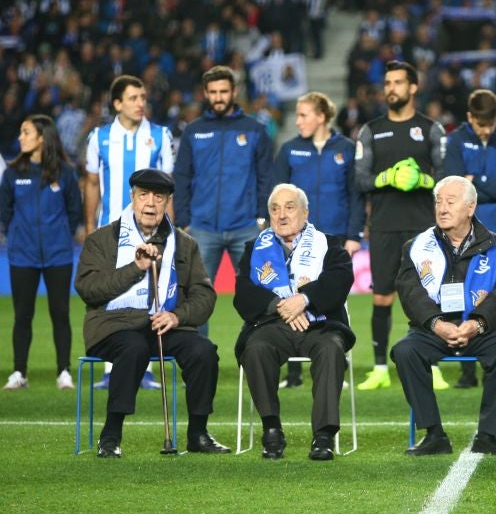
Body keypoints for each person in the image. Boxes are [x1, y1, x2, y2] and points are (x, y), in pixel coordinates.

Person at [74, 169, 229, 457]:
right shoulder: (102, 239)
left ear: (168, 202)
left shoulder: (184, 243)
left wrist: (177, 316)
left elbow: (204, 295)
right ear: (132, 198)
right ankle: (110, 436)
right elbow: (88, 289)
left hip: (164, 326)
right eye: (143, 195)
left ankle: (198, 433)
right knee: (132, 347)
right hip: (112, 326)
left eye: (158, 197)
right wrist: (136, 268)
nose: (150, 203)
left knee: (203, 351)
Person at [392, 176, 496, 456]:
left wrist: (478, 323)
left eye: (450, 202)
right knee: (405, 351)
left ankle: (488, 435)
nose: (442, 208)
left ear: (470, 207)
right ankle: (434, 434)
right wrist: (435, 323)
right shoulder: (416, 247)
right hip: (433, 328)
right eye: (438, 202)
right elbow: (409, 290)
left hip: (482, 328)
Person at [233, 184, 355, 461]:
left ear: (305, 212)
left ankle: (324, 435)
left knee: (331, 349)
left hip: (320, 325)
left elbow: (340, 280)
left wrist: (305, 300)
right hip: (271, 325)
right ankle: (271, 430)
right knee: (256, 349)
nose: (281, 215)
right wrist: (280, 305)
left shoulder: (330, 244)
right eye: (274, 209)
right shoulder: (255, 248)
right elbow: (242, 293)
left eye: (289, 207)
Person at [354, 60, 446, 391]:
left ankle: (433, 364)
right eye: (387, 82)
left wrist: (423, 179)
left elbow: (445, 176)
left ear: (413, 87)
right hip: (383, 226)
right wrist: (386, 177)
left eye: (397, 82)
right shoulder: (371, 130)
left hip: (423, 229)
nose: (390, 88)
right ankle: (380, 368)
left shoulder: (431, 128)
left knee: (428, 297)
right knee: (382, 298)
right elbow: (360, 178)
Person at [85, 75, 175, 390]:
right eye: (133, 98)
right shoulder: (100, 137)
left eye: (143, 97)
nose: (140, 103)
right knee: (111, 295)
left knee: (150, 295)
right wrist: (88, 227)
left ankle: (145, 367)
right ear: (117, 103)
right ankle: (111, 367)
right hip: (110, 231)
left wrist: (170, 232)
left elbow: (168, 190)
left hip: (150, 230)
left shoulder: (161, 136)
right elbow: (93, 183)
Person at [174, 65, 273, 337]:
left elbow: (267, 178)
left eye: (224, 92)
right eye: (213, 92)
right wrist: (183, 222)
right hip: (202, 228)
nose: (218, 97)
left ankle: (253, 354)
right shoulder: (194, 131)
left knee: (257, 296)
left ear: (234, 92)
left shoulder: (255, 130)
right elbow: (181, 178)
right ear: (206, 93)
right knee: (197, 298)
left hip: (246, 228)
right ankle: (199, 362)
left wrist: (263, 219)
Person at [273, 91, 363, 389]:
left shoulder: (347, 149)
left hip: (335, 238)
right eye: (297, 115)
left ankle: (337, 361)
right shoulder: (289, 150)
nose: (297, 121)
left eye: (303, 115)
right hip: (296, 239)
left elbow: (355, 195)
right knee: (294, 295)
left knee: (337, 299)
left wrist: (353, 235)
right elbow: (276, 196)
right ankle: (294, 371)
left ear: (321, 116)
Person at [441, 88, 496, 389]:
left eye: (490, 123)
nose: (486, 129)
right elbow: (453, 184)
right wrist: (490, 185)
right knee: (460, 293)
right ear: (469, 117)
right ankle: (464, 363)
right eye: (480, 124)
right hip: (462, 232)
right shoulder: (456, 140)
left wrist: (477, 184)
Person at [1, 115, 81, 390]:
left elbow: (74, 213)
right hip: (23, 256)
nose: (20, 137)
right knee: (22, 315)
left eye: (26, 132)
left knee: (60, 313)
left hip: (58, 255)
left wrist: (59, 236)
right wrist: (18, 237)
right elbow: (5, 212)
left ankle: (64, 372)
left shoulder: (65, 173)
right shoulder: (12, 173)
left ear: (42, 138)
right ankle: (19, 373)